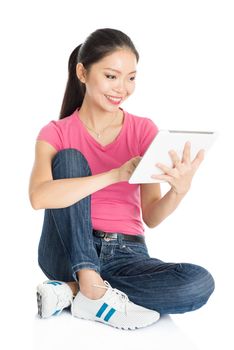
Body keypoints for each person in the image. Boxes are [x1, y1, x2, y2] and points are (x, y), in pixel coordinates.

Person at [29, 28, 215, 330]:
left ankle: (74, 291)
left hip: (127, 255)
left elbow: (151, 216)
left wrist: (179, 190)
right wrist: (116, 174)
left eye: (131, 77)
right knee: (71, 159)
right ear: (82, 72)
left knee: (198, 283)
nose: (122, 88)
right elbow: (39, 197)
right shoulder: (56, 132)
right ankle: (88, 281)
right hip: (65, 248)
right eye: (111, 76)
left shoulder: (143, 131)